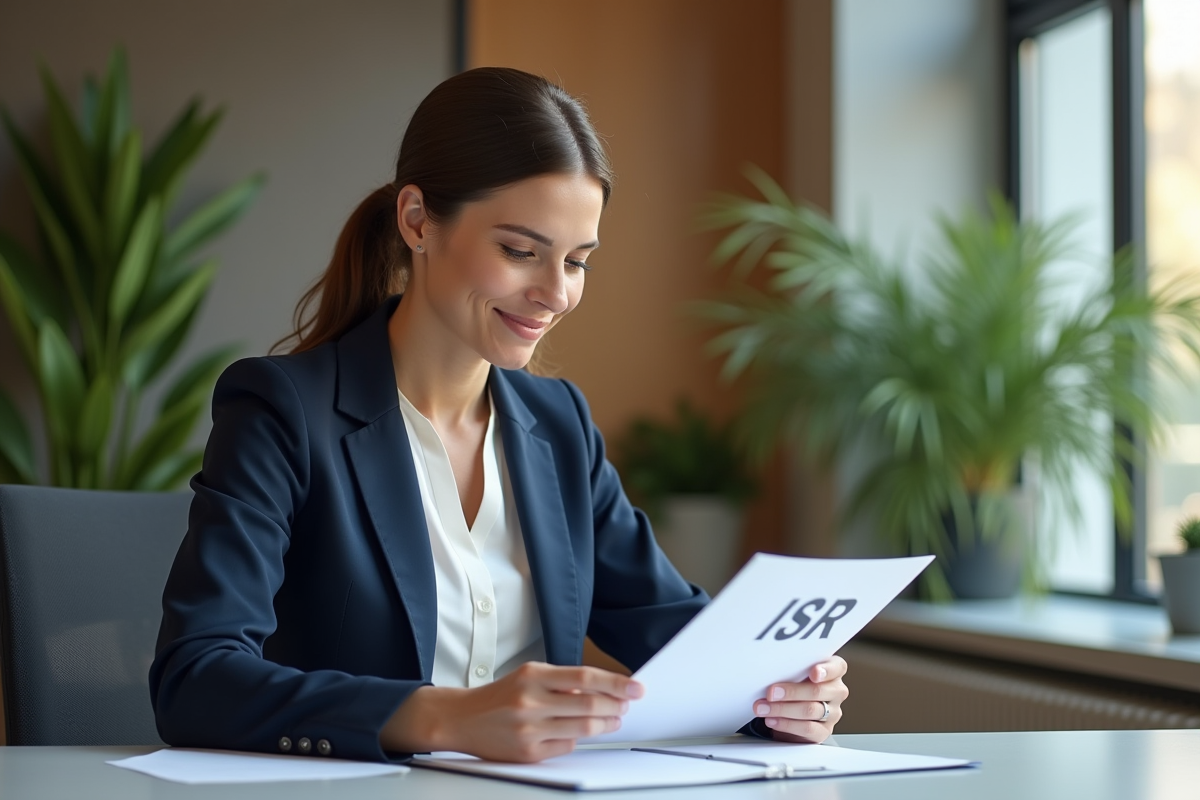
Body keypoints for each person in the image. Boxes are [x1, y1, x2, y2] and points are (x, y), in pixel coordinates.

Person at [149, 66, 849, 764]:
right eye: (520, 252)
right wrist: (443, 718)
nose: (555, 293)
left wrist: (779, 692)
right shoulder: (284, 412)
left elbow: (670, 630)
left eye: (578, 262)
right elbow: (196, 678)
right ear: (418, 220)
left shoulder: (560, 424)